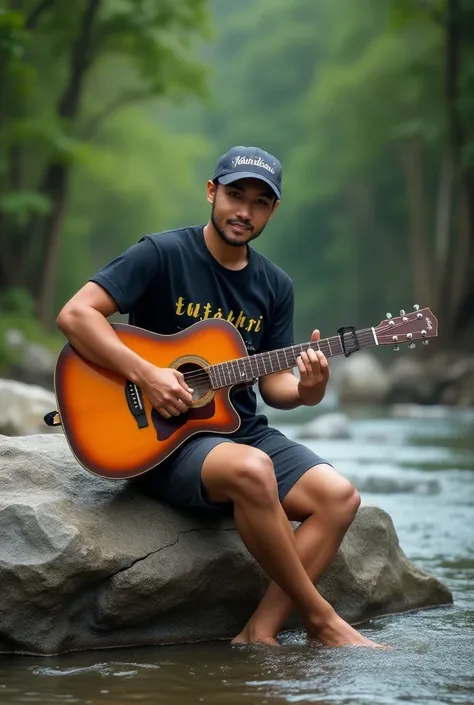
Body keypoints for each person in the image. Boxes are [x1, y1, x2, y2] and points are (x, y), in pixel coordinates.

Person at [56, 145, 383, 649]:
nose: (243, 211)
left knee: (340, 499)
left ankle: (260, 630)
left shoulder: (275, 285)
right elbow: (76, 315)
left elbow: (274, 387)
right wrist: (146, 374)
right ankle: (322, 620)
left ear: (272, 210)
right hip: (163, 442)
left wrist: (310, 392)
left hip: (239, 430)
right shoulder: (162, 254)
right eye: (235, 195)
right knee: (253, 470)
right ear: (212, 192)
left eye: (259, 202)